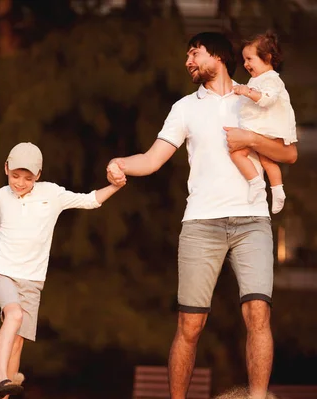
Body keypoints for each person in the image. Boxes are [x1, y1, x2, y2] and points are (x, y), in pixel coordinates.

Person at [106, 32, 297, 399]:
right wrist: (119, 163)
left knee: (258, 314)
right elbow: (152, 159)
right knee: (189, 325)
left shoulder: (255, 95)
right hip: (201, 224)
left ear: (218, 56)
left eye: (194, 53)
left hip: (252, 220)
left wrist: (250, 140)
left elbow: (288, 154)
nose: (188, 61)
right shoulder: (184, 108)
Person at [0, 142, 126, 398]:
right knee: (13, 315)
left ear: (38, 175)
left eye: (27, 178)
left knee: (17, 342)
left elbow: (90, 200)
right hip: (2, 269)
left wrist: (115, 185)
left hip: (33, 279)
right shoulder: (2, 194)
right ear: (6, 168)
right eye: (15, 176)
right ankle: (0, 377)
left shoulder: (52, 194)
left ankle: (3, 393)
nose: (20, 183)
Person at [231, 30, 297, 214]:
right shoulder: (257, 79)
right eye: (244, 60)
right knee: (267, 163)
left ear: (267, 57)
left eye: (249, 59)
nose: (245, 64)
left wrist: (246, 91)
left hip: (269, 129)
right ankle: (277, 191)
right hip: (263, 129)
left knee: (237, 154)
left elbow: (267, 99)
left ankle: (257, 183)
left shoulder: (272, 79)